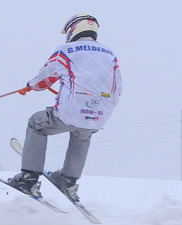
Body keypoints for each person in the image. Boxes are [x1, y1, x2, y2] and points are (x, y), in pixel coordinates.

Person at [8, 14, 122, 201]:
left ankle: (28, 178)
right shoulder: (110, 54)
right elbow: (118, 88)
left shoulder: (66, 50)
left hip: (70, 113)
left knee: (37, 123)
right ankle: (68, 179)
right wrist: (101, 109)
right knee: (82, 134)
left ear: (73, 29)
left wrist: (30, 86)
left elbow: (45, 79)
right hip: (100, 114)